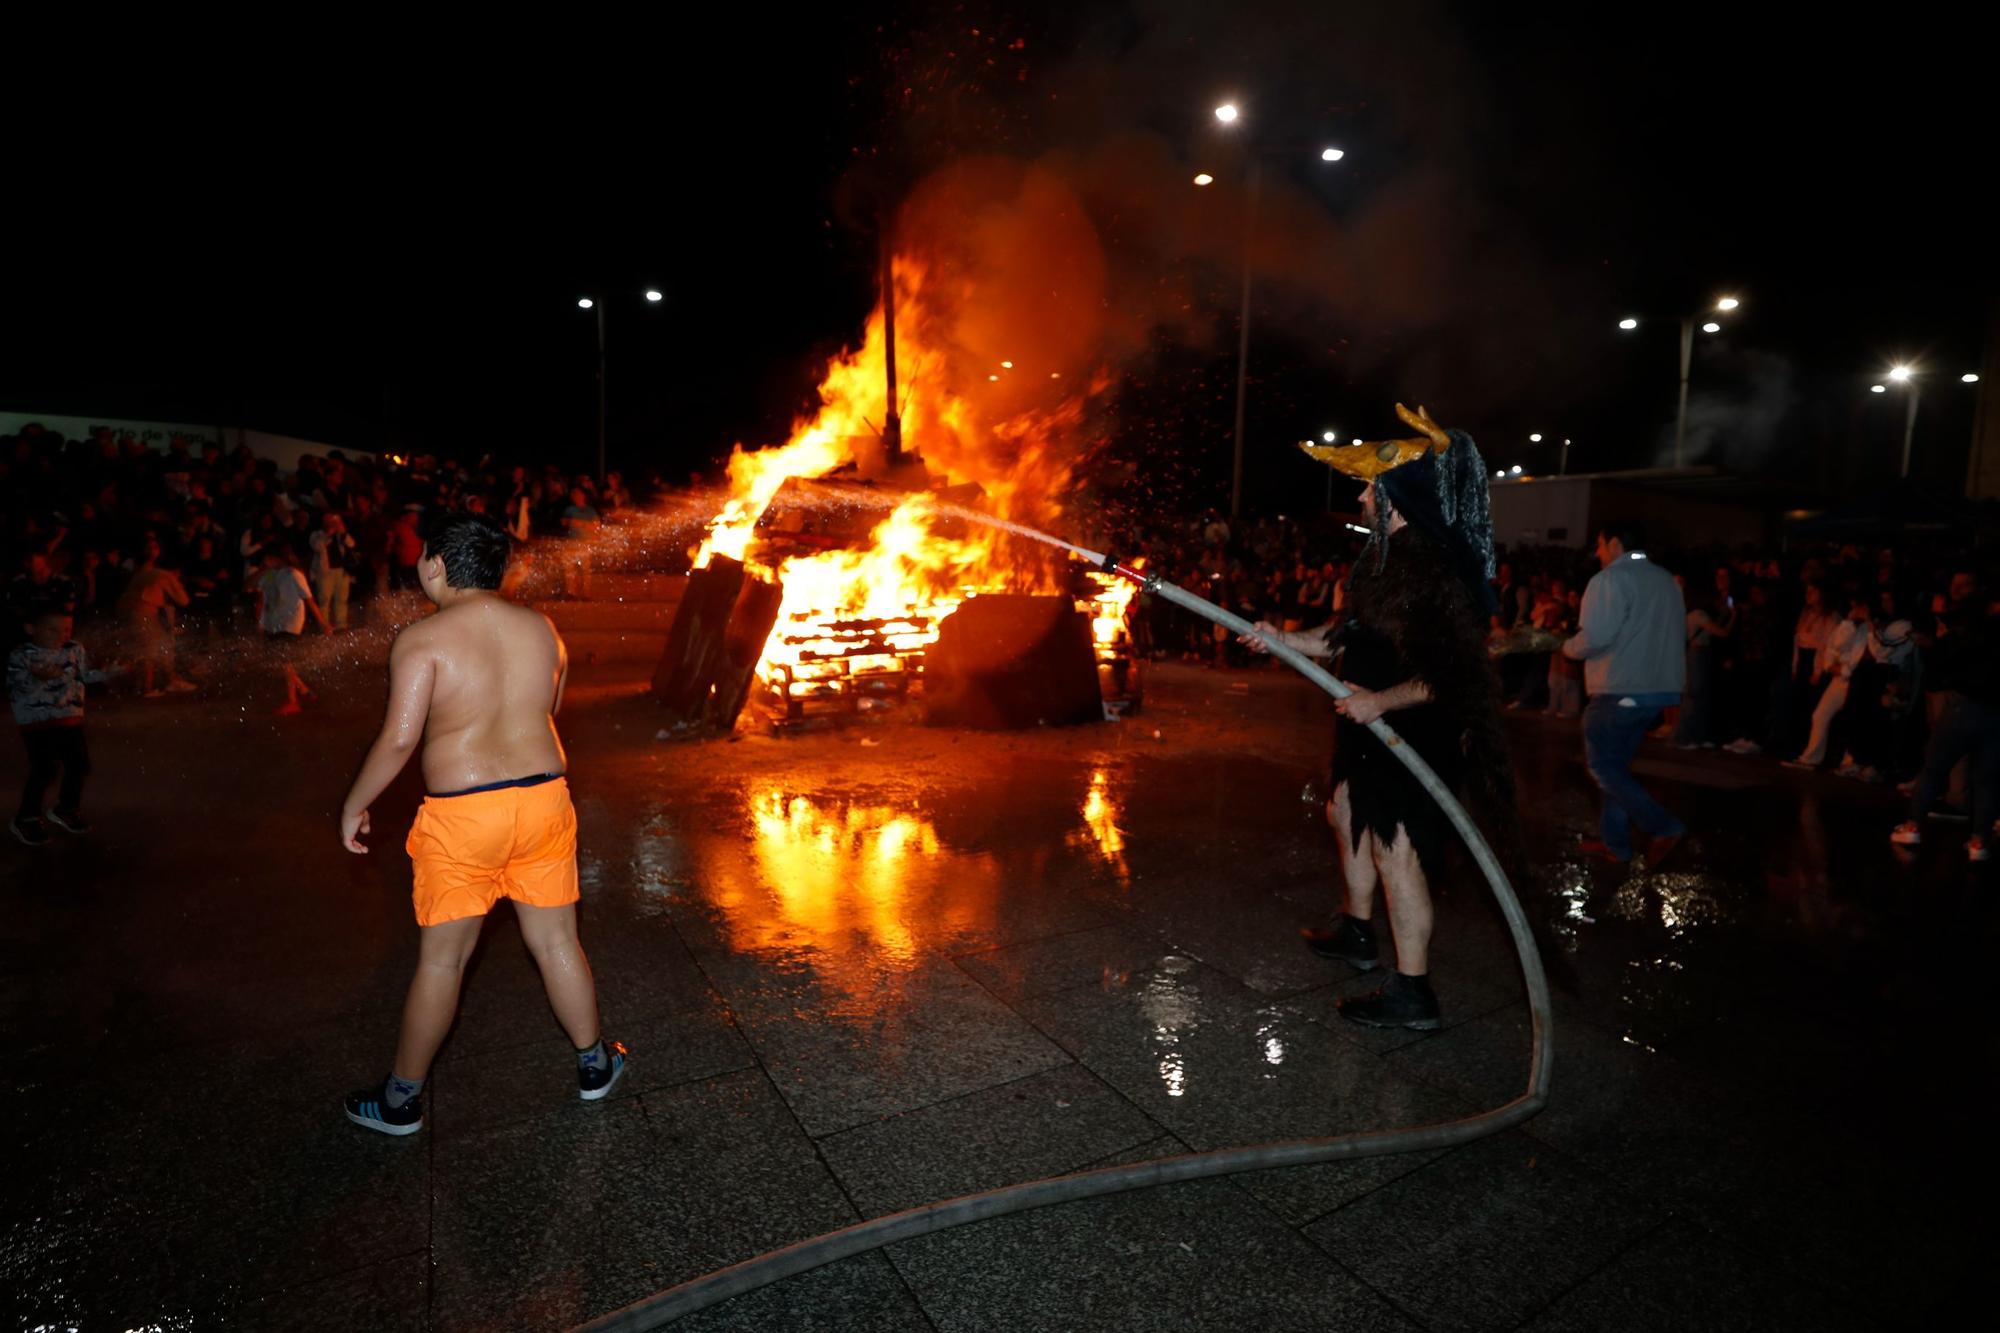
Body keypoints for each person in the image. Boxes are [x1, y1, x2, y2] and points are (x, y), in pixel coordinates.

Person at [338, 511, 622, 1135]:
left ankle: (400, 1101)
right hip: (544, 801)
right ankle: (595, 1064)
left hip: (466, 816)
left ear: (435, 565)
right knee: (556, 943)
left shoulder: (423, 640)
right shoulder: (543, 629)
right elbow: (547, 707)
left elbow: (398, 741)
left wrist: (355, 803)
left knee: (443, 963)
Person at [1254, 405, 1512, 1030]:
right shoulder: (1375, 564)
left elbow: (1457, 674)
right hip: (1364, 729)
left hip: (1413, 734)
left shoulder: (1434, 573)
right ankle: (1356, 931)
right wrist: (1284, 638)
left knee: (1401, 856)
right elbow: (1341, 637)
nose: (1363, 495)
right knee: (1344, 813)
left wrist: (1381, 701)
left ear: (1396, 500)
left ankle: (1414, 992)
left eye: (1372, 487)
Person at [1562, 520, 1688, 869]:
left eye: (1600, 545)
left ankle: (1664, 826)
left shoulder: (1611, 580)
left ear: (1615, 543)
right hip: (1657, 690)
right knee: (1616, 769)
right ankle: (1615, 844)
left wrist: (1567, 647)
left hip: (1620, 688)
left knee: (1602, 765)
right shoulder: (1666, 581)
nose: (1598, 553)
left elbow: (1595, 636)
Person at [9, 609, 123, 845]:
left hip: (70, 717)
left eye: (67, 629)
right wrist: (39, 677)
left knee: (79, 764)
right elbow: (17, 685)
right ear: (31, 628)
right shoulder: (22, 655)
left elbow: (83, 675)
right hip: (36, 721)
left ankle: (66, 808)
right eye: (52, 629)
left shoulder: (74, 649)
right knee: (45, 768)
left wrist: (107, 673)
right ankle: (26, 817)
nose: (61, 635)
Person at [252, 546, 331, 715]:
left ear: (279, 558)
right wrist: (260, 621)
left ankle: (292, 701)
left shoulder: (293, 574)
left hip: (291, 622)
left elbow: (309, 600)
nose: (266, 562)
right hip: (273, 622)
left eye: (269, 558)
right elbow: (258, 595)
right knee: (280, 662)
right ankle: (304, 690)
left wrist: (323, 623)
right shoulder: (269, 575)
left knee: (285, 661)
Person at [117, 535, 196, 697]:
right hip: (143, 615)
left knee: (162, 647)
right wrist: (175, 586)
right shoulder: (161, 575)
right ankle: (147, 688)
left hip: (138, 615)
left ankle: (171, 680)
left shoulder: (139, 572)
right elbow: (184, 600)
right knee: (149, 651)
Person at [308, 511, 359, 631]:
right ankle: (324, 626)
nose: (332, 523)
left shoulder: (340, 535)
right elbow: (317, 546)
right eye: (329, 521)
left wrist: (343, 532)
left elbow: (352, 544)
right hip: (325, 571)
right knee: (324, 600)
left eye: (334, 521)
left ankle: (341, 625)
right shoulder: (316, 535)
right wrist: (328, 534)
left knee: (341, 598)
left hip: (342, 571)